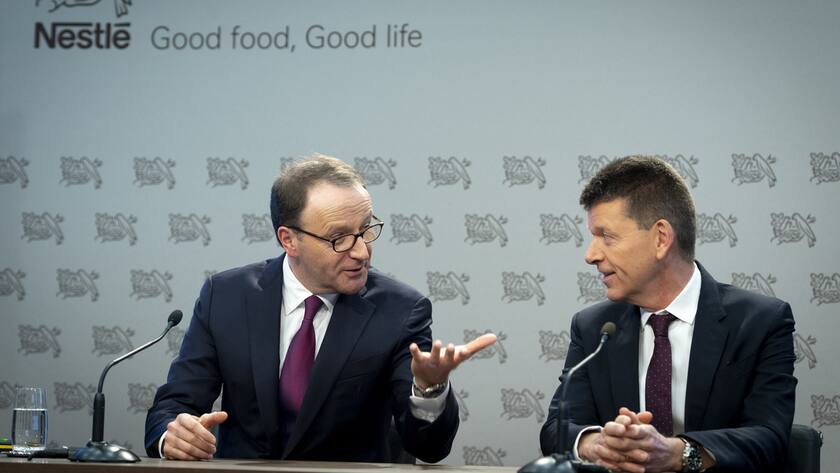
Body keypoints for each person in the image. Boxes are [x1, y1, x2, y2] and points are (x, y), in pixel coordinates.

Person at [145, 154, 496, 462]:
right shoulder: (225, 296)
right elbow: (174, 406)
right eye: (338, 238)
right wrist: (172, 435)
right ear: (289, 239)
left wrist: (429, 391)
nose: (361, 251)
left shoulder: (401, 310)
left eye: (366, 230)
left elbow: (429, 447)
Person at [539, 156, 796, 473]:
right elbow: (556, 429)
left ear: (661, 238)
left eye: (606, 236)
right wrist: (598, 443)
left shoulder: (760, 322)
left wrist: (675, 453)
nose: (590, 255)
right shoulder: (594, 328)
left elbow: (769, 439)